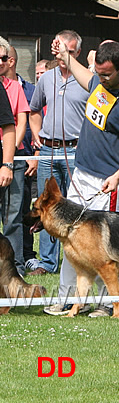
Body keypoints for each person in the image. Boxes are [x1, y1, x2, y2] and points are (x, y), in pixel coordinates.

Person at [45, 39, 119, 318]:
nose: (100, 79)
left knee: (107, 246)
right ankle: (68, 299)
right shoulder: (100, 82)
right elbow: (85, 76)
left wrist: (117, 176)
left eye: (106, 74)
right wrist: (66, 55)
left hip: (111, 182)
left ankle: (107, 303)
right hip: (82, 174)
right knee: (72, 239)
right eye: (99, 73)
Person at [29, 30, 89, 275]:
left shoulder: (87, 79)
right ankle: (46, 263)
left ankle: (75, 258)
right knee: (46, 205)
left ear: (78, 53)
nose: (65, 56)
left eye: (71, 51)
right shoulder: (47, 78)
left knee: (75, 205)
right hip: (48, 150)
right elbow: (34, 110)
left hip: (76, 150)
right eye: (62, 50)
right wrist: (37, 137)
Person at [0, 37, 30, 275]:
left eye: (4, 58)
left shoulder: (14, 87)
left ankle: (16, 269)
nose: (1, 63)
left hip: (12, 158)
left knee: (13, 218)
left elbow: (18, 123)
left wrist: (9, 155)